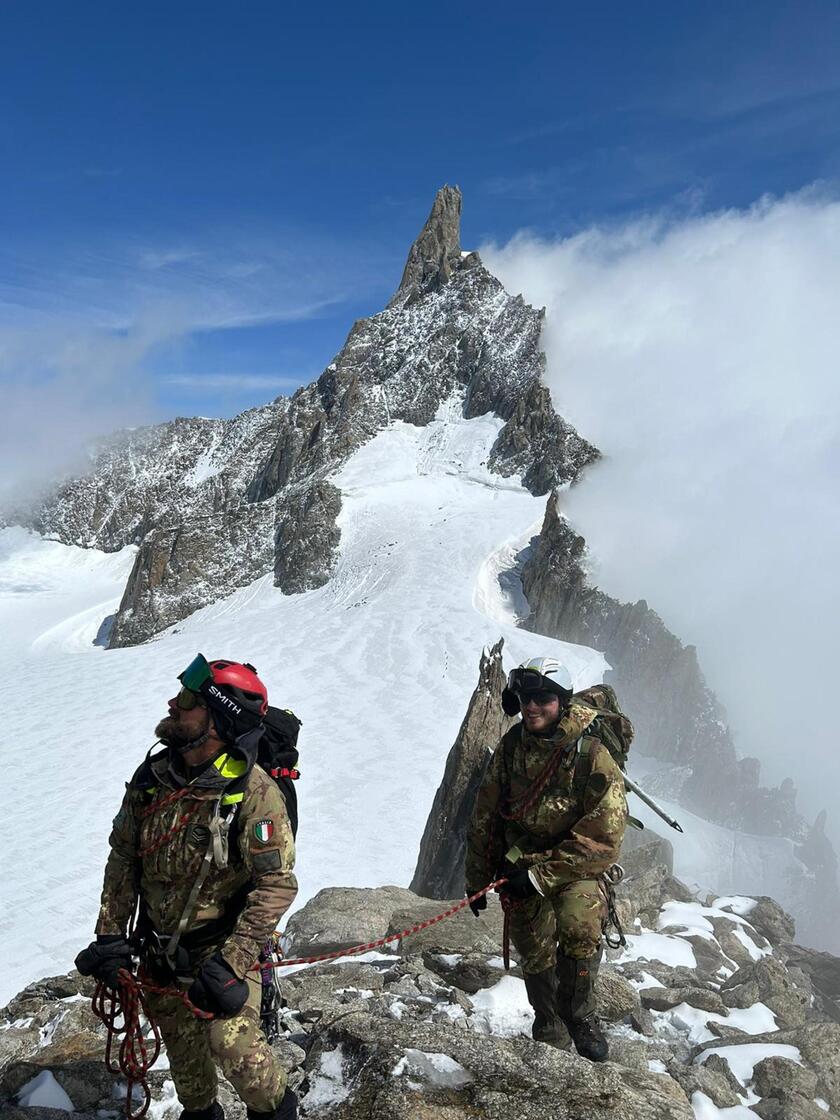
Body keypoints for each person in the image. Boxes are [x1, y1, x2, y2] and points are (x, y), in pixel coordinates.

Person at [76, 655, 299, 1120]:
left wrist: (233, 962)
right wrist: (110, 935)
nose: (173, 705)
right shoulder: (151, 780)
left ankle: (278, 1111)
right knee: (192, 1082)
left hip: (221, 951)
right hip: (161, 957)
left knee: (234, 1049)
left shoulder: (252, 792)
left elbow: (276, 883)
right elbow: (123, 856)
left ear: (218, 720)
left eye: (189, 702)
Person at [464, 656, 627, 1061]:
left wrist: (540, 878)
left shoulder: (590, 754)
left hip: (576, 863)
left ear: (561, 701)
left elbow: (604, 836)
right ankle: (549, 1023)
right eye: (525, 698)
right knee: (533, 946)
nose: (531, 707)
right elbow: (486, 813)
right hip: (522, 861)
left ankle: (581, 1017)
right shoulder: (511, 747)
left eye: (542, 698)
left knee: (579, 924)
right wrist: (477, 878)